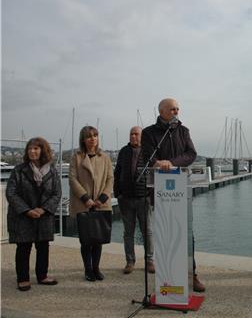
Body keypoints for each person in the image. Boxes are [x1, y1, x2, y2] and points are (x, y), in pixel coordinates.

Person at [141, 97, 205, 292]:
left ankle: (191, 274)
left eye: (177, 109)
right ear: (161, 111)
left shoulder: (183, 131)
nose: (176, 112)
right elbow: (148, 157)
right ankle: (168, 277)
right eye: (172, 109)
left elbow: (191, 154)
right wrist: (159, 163)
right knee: (165, 234)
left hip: (181, 192)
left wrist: (172, 162)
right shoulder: (149, 133)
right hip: (160, 192)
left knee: (187, 235)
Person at [6, 137, 61, 291]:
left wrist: (43, 209)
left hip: (43, 216)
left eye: (36, 148)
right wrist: (27, 210)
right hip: (23, 216)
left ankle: (42, 275)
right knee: (23, 247)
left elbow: (56, 194)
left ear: (43, 150)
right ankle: (23, 278)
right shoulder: (19, 170)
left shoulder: (52, 171)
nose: (32, 151)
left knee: (43, 247)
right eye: (30, 148)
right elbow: (11, 193)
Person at [69, 126, 114, 282]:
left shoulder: (105, 157)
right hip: (84, 204)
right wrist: (85, 198)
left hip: (100, 204)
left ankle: (96, 268)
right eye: (89, 136)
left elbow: (110, 179)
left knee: (98, 239)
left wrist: (102, 198)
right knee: (86, 240)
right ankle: (88, 269)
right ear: (83, 139)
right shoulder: (77, 157)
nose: (92, 139)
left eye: (95, 135)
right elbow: (72, 179)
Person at [114, 126, 154, 274]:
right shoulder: (124, 151)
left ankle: (149, 260)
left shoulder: (149, 151)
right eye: (131, 134)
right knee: (128, 232)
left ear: (142, 136)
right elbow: (117, 173)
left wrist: (151, 194)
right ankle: (130, 261)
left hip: (144, 198)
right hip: (126, 199)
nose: (133, 136)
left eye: (136, 134)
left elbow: (154, 173)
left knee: (147, 231)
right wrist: (117, 193)